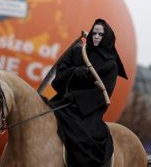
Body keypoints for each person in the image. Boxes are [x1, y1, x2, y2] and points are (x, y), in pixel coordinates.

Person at [50, 18, 128, 167]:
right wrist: (73, 72)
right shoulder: (78, 51)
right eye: (94, 33)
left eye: (100, 35)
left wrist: (76, 97)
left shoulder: (111, 64)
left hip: (86, 112)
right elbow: (59, 75)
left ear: (107, 38)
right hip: (62, 101)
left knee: (82, 140)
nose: (96, 37)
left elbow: (103, 95)